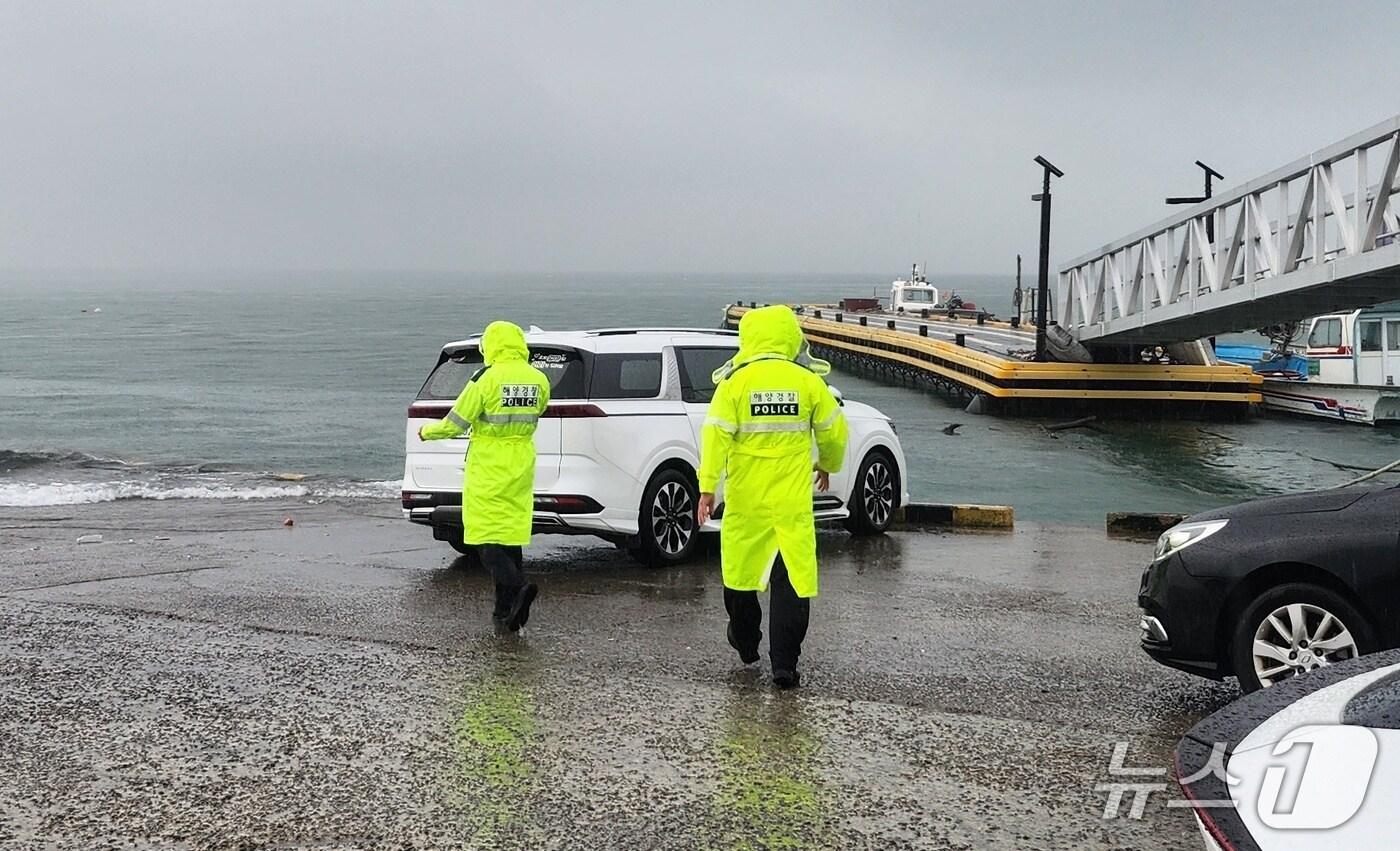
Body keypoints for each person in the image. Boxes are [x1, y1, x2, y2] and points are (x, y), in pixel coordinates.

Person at [696, 305, 848, 688]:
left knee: (740, 576)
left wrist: (707, 487)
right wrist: (827, 464)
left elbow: (715, 436)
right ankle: (785, 665)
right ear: (789, 336)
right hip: (790, 502)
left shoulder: (735, 383)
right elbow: (833, 430)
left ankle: (745, 641)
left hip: (747, 500)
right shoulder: (807, 381)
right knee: (790, 581)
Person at [419, 321, 551, 631]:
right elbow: (540, 410)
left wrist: (427, 431)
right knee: (510, 533)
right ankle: (504, 613)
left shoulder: (485, 378)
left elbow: (456, 422)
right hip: (521, 460)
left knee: (484, 535)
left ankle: (518, 587)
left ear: (490, 345)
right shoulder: (538, 378)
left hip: (489, 462)